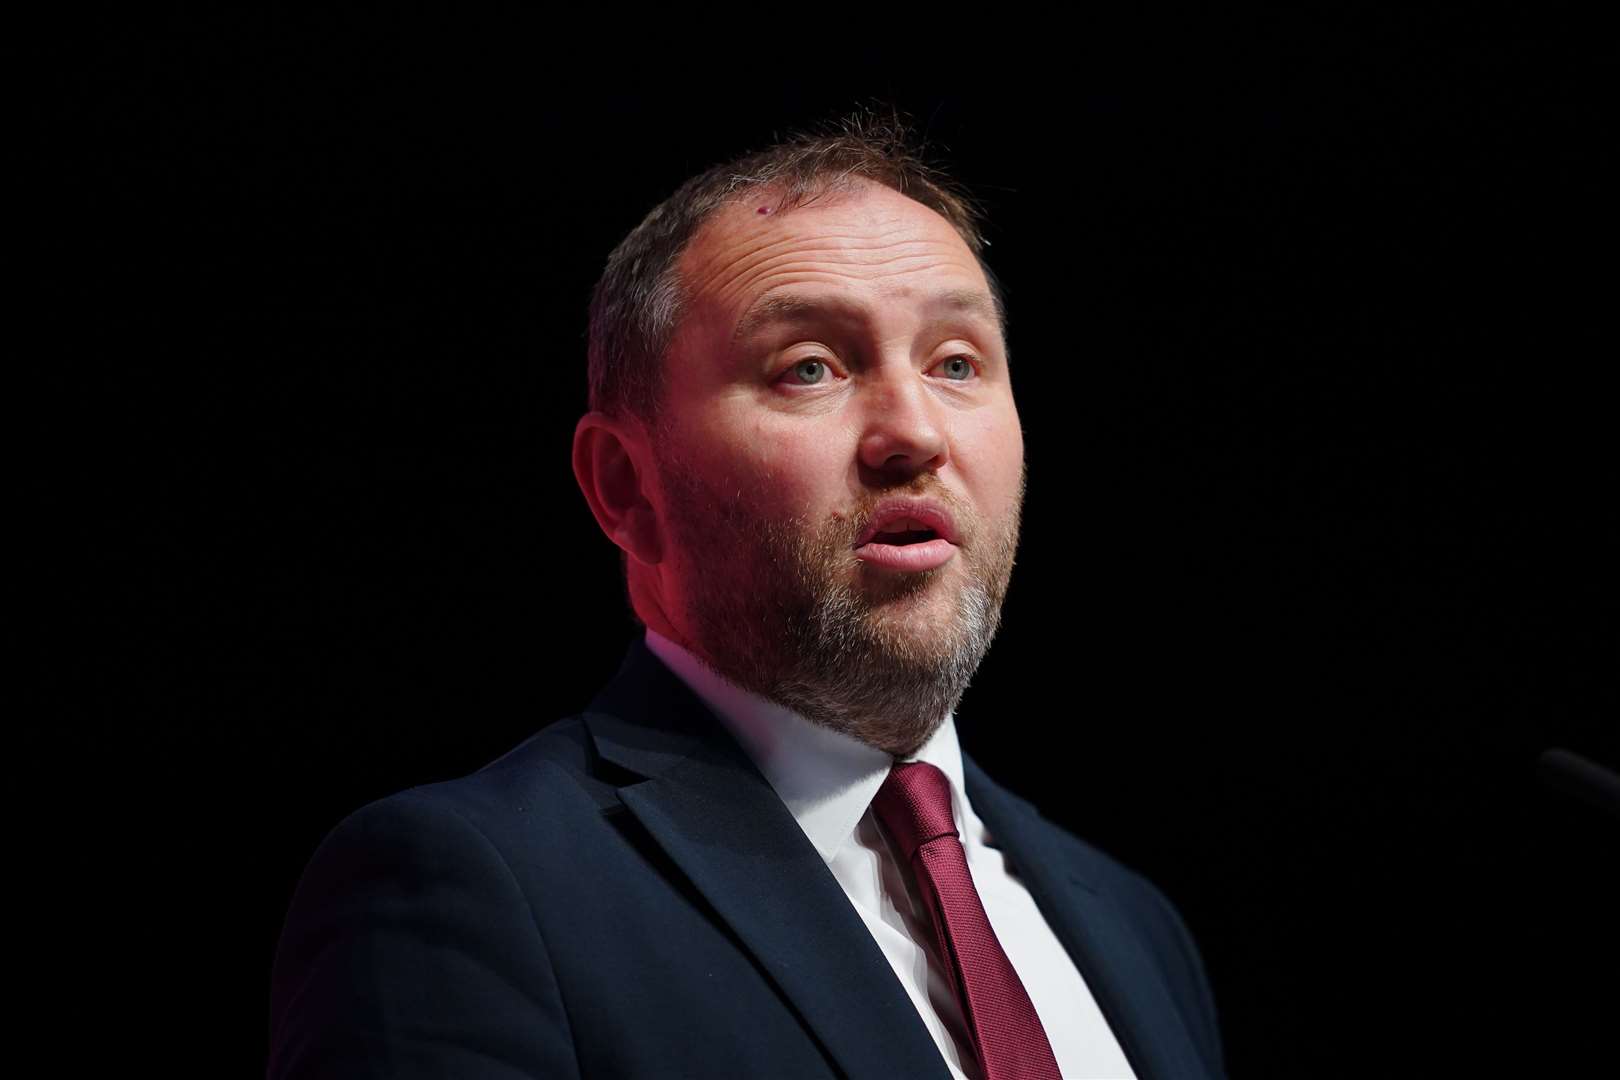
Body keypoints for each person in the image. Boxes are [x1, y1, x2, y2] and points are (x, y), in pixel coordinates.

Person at [268, 111, 1227, 1080]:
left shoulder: (1137, 931)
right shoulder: (471, 892)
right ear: (624, 487)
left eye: (956, 364)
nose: (916, 434)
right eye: (809, 367)